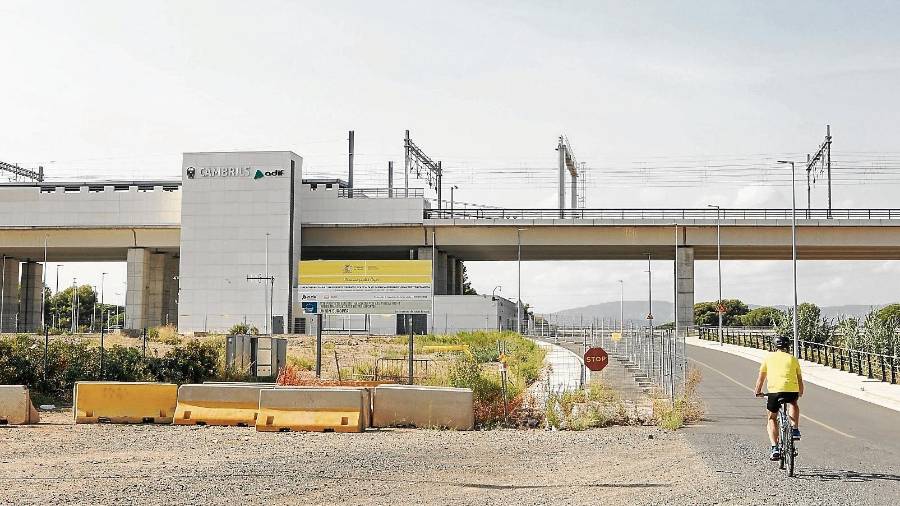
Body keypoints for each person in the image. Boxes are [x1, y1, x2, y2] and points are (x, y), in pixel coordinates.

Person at [754, 335, 803, 461]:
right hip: (791, 391)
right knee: (793, 403)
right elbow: (799, 379)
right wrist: (800, 392)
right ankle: (795, 429)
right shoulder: (793, 359)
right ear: (788, 346)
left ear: (775, 346)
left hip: (774, 392)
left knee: (772, 418)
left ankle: (775, 448)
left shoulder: (768, 358)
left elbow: (761, 378)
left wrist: (758, 391)